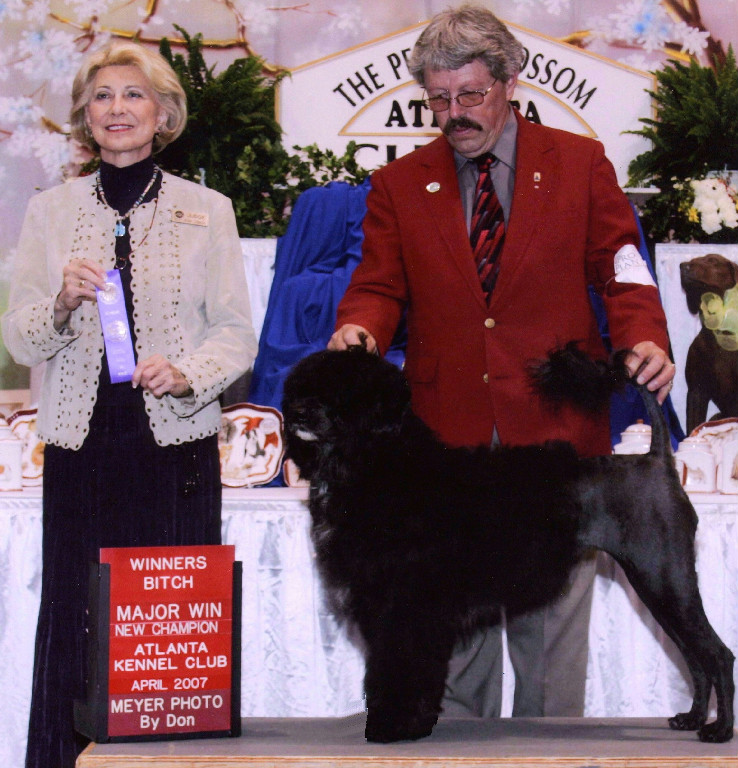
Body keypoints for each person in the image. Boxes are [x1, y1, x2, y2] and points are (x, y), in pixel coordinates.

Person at [329, 4, 675, 721]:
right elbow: (377, 284)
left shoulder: (580, 163)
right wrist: (359, 329)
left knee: (550, 638)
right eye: (439, 99)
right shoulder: (400, 184)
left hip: (554, 436)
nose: (455, 114)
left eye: (471, 96)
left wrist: (644, 335)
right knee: (450, 636)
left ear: (510, 82)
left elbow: (622, 269)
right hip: (445, 445)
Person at [1, 41, 257, 768]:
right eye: (103, 96)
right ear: (86, 116)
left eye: (133, 95)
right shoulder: (49, 212)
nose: (118, 109)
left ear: (163, 113)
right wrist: (56, 302)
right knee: (76, 619)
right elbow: (19, 337)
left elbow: (238, 333)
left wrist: (188, 373)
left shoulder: (207, 210)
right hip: (81, 443)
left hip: (175, 447)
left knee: (172, 626)